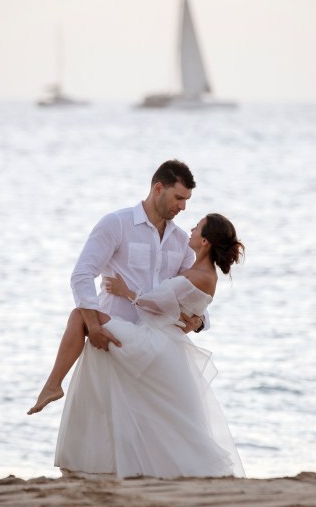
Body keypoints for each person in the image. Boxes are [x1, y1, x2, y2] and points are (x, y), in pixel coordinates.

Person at [55, 213, 245, 478]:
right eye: (180, 199)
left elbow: (159, 305)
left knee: (81, 315)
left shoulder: (199, 272)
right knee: (148, 410)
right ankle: (112, 461)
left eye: (197, 226)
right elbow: (182, 306)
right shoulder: (195, 270)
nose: (190, 225)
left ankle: (54, 386)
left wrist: (127, 292)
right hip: (157, 338)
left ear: (205, 241)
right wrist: (192, 316)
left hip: (155, 341)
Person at [27, 159, 205, 415]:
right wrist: (95, 325)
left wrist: (199, 321)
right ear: (158, 189)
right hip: (114, 342)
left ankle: (53, 383)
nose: (183, 207)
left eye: (187, 199)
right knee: (109, 427)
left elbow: (192, 290)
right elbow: (82, 274)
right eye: (178, 197)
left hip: (157, 346)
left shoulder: (180, 240)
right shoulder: (116, 224)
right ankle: (54, 385)